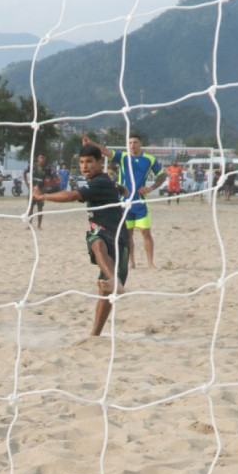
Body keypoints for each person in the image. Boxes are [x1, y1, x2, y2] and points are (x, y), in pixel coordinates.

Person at [31, 144, 127, 337]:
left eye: (90, 162)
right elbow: (121, 188)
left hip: (113, 236)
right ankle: (95, 334)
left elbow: (72, 195)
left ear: (100, 163)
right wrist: (121, 189)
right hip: (117, 239)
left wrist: (42, 196)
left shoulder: (98, 182)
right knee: (102, 284)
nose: (85, 166)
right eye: (82, 162)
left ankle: (114, 281)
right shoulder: (106, 180)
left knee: (96, 244)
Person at [82, 134, 166, 270]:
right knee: (128, 234)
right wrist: (91, 143)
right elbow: (105, 150)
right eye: (130, 142)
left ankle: (150, 263)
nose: (133, 145)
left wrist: (151, 188)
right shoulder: (123, 157)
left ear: (141, 143)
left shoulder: (150, 159)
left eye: (135, 142)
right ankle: (131, 262)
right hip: (124, 202)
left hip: (140, 202)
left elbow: (162, 176)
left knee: (145, 232)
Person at [25, 153, 56, 229]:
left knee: (40, 208)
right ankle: (29, 225)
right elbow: (24, 172)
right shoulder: (33, 166)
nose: (42, 159)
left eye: (43, 158)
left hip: (41, 191)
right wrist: (27, 183)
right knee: (30, 208)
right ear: (37, 159)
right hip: (32, 190)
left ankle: (39, 225)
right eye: (40, 157)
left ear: (44, 159)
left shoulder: (47, 168)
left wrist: (46, 186)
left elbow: (52, 177)